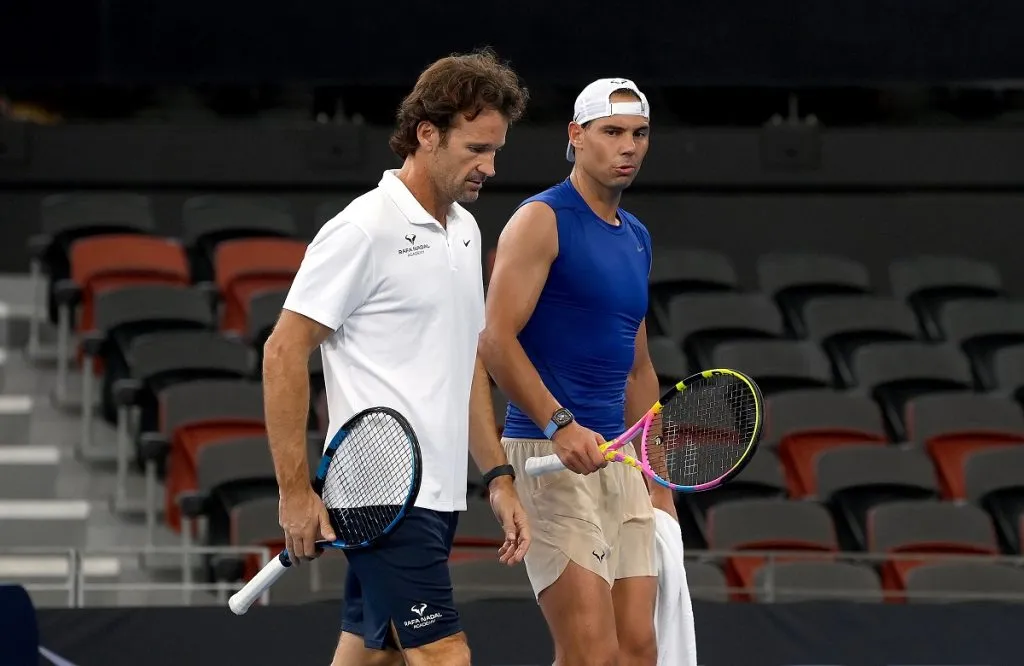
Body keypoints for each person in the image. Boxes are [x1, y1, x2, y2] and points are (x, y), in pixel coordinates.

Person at [262, 49, 532, 666]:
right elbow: (283, 352)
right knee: (444, 654)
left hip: (438, 493)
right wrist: (295, 493)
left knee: (373, 655)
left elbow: (466, 365)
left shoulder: (467, 231)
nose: (489, 167)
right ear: (426, 134)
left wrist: (496, 477)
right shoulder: (363, 228)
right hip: (380, 496)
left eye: (496, 151)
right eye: (476, 149)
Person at [479, 78, 679, 666]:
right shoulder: (541, 219)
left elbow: (638, 369)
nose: (629, 146)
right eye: (612, 132)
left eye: (639, 133)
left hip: (620, 462)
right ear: (577, 135)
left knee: (638, 652)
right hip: (548, 456)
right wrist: (560, 424)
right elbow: (495, 341)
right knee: (592, 654)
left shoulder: (637, 237)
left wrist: (660, 483)